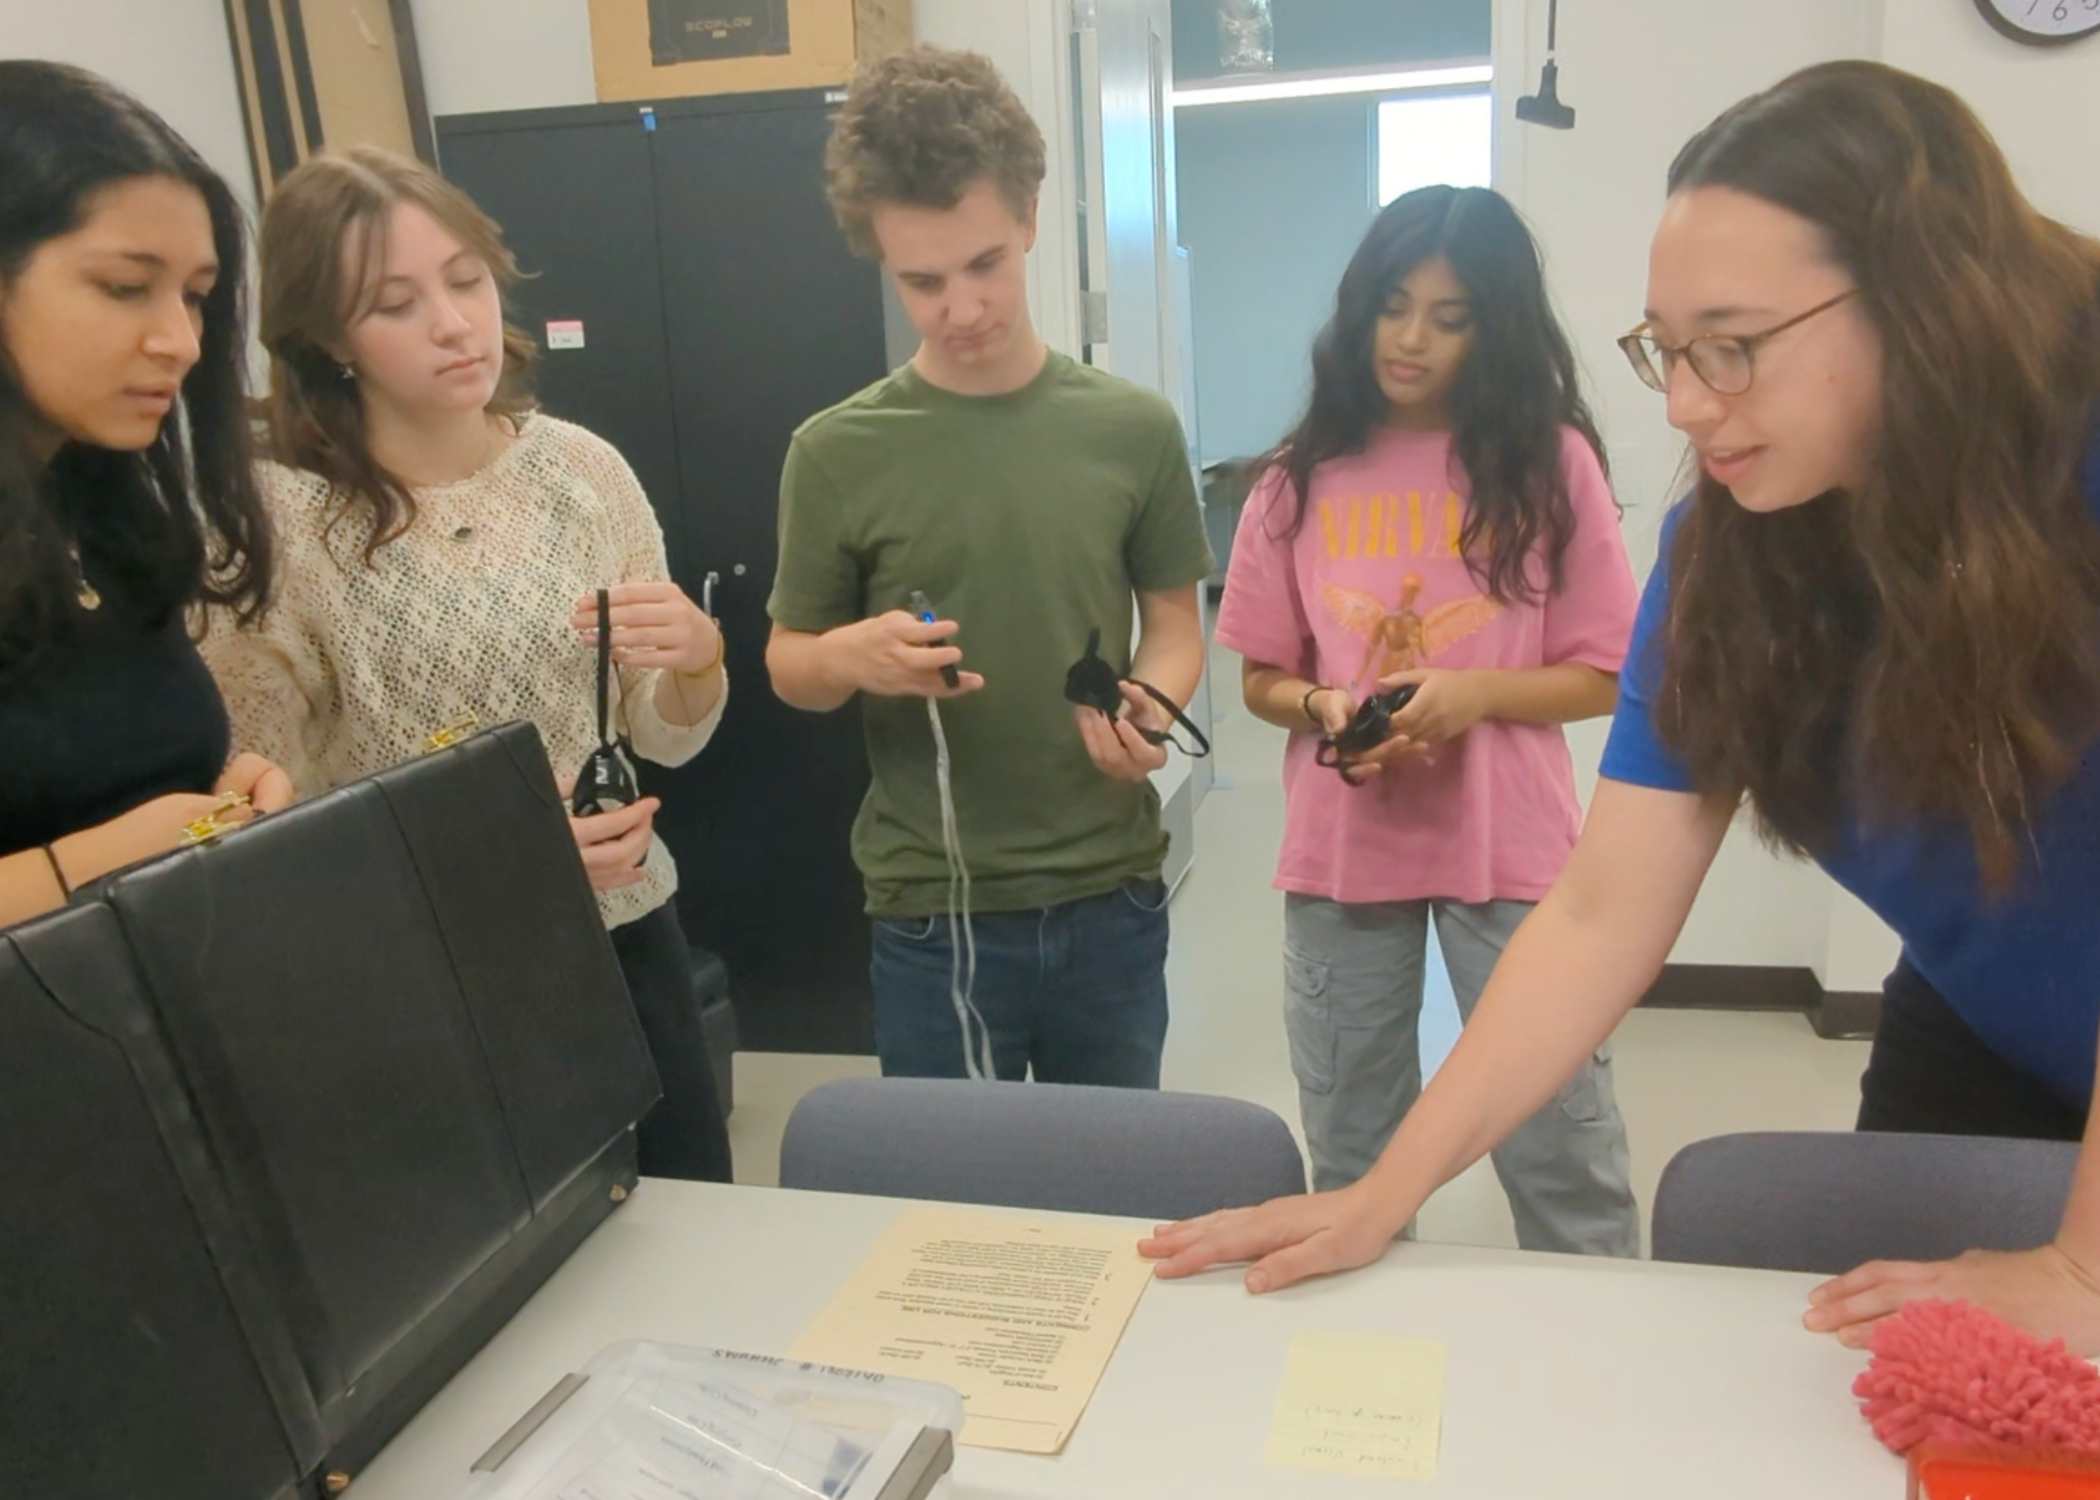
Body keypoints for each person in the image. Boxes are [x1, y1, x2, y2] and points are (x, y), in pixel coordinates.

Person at [1143, 59, 2100, 1351]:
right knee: (1924, 1367)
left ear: (1921, 303)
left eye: (1736, 346)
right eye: (1667, 349)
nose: (1688, 404)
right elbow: (1598, 913)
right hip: (1987, 1016)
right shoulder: (1738, 547)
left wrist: (2085, 1272)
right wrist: (1383, 1194)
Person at [201, 147, 733, 1182]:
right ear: (324, 337)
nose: (454, 323)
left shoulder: (580, 471)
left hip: (625, 935)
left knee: (683, 1229)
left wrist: (701, 659)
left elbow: (664, 731)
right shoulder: (272, 524)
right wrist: (497, 850)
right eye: (396, 303)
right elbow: (259, 819)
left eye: (467, 280)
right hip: (423, 975)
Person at [765, 46, 1213, 1086]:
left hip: (1111, 890)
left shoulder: (1132, 430)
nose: (960, 308)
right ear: (879, 259)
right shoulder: (835, 451)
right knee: (953, 1220)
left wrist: (1153, 704)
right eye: (922, 282)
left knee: (1106, 1197)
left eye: (984, 266)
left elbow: (1178, 627)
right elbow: (790, 663)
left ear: (1030, 220)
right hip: (933, 910)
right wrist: (852, 655)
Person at [1214, 185, 1640, 1256]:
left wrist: (1479, 694)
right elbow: (1265, 675)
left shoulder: (1550, 463)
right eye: (1394, 306)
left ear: (1495, 328)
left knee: (1560, 1150)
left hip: (1514, 848)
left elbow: (1607, 673)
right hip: (1342, 850)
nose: (1410, 340)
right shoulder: (1294, 481)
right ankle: (1365, 1383)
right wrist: (1320, 704)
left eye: (1450, 319)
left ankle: (1596, 1364)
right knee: (1354, 1152)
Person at [0, 61, 291, 931]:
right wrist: (88, 865)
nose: (181, 342)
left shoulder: (100, 507)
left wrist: (224, 797)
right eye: (125, 288)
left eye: (196, 298)